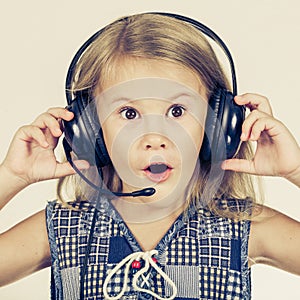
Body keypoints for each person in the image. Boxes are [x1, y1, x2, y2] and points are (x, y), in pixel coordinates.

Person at [0, 12, 299, 300]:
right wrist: (11, 176)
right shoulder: (64, 228)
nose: (155, 137)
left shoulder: (245, 227)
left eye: (177, 111)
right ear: (89, 131)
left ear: (217, 125)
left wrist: (295, 170)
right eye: (129, 113)